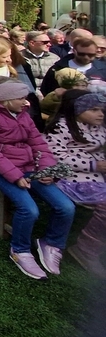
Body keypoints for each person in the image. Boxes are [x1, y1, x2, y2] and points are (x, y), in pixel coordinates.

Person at [0, 77, 75, 280]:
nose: (26, 102)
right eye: (21, 98)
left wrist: (47, 170)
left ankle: (51, 243)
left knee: (66, 207)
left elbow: (39, 144)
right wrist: (15, 177)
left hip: (27, 166)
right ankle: (20, 250)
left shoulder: (23, 114)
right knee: (29, 209)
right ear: (5, 99)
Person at [43, 88, 106, 277]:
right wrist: (94, 165)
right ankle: (86, 250)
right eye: (94, 109)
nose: (101, 114)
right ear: (78, 110)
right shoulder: (61, 127)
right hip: (72, 179)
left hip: (97, 177)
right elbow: (56, 156)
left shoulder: (97, 127)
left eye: (102, 110)